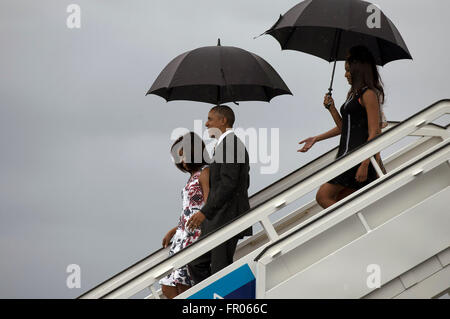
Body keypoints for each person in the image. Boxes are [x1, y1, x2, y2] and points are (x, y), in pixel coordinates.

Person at [298, 45, 387, 209]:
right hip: (347, 156)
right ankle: (354, 226)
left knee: (323, 196)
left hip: (358, 157)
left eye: (348, 70)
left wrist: (365, 163)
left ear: (358, 70)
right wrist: (330, 111)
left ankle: (352, 226)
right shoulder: (353, 94)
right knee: (340, 201)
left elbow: (375, 131)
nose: (345, 74)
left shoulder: (368, 94)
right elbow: (344, 128)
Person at [186, 105, 252, 285]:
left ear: (223, 121)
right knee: (197, 263)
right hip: (218, 218)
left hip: (225, 217)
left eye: (210, 119)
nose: (206, 123)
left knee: (220, 269)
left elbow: (228, 184)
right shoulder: (225, 144)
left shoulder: (231, 144)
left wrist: (205, 211)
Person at [159, 132, 210, 299]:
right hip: (182, 233)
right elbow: (189, 209)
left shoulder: (205, 172)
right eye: (179, 158)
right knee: (167, 284)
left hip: (194, 233)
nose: (182, 161)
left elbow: (208, 205)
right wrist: (173, 231)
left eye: (184, 156)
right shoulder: (191, 177)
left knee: (184, 283)